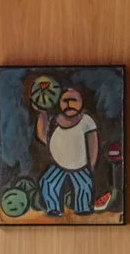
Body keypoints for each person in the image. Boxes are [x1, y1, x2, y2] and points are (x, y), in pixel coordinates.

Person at [36, 84, 100, 216]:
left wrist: (92, 163)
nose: (69, 103)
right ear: (59, 102)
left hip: (80, 165)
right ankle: (53, 208)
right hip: (58, 164)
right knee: (48, 182)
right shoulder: (54, 120)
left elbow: (93, 142)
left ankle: (82, 208)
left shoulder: (86, 120)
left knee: (84, 186)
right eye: (65, 100)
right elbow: (43, 137)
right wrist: (41, 113)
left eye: (74, 100)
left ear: (81, 102)